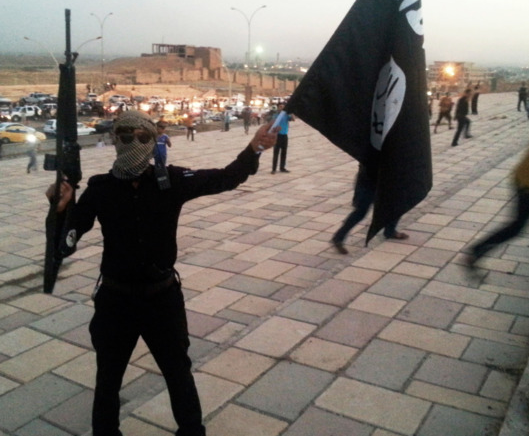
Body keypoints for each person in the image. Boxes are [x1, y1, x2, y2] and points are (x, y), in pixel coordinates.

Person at [46, 110, 278, 436]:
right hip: (116, 300)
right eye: (125, 137)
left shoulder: (171, 181)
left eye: (142, 137)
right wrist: (60, 211)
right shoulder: (100, 188)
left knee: (178, 372)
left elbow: (225, 177)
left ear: (153, 140)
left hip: (162, 298)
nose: (133, 143)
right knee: (108, 378)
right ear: (116, 140)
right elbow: (67, 242)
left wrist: (254, 147)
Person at [467, 145, 529, 266]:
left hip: (522, 178)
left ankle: (477, 250)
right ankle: (476, 250)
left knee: (516, 226)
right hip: (526, 184)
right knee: (516, 226)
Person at [331, 164, 408, 254]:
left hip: (382, 179)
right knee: (361, 211)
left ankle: (390, 230)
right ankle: (338, 237)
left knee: (395, 204)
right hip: (369, 180)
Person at [271, 102, 294, 174]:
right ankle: (274, 169)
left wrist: (290, 112)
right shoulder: (275, 115)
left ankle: (282, 167)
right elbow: (273, 123)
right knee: (276, 152)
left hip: (284, 136)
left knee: (284, 152)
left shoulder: (286, 115)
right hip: (277, 136)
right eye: (280, 106)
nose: (282, 108)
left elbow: (293, 119)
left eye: (283, 107)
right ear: (278, 107)